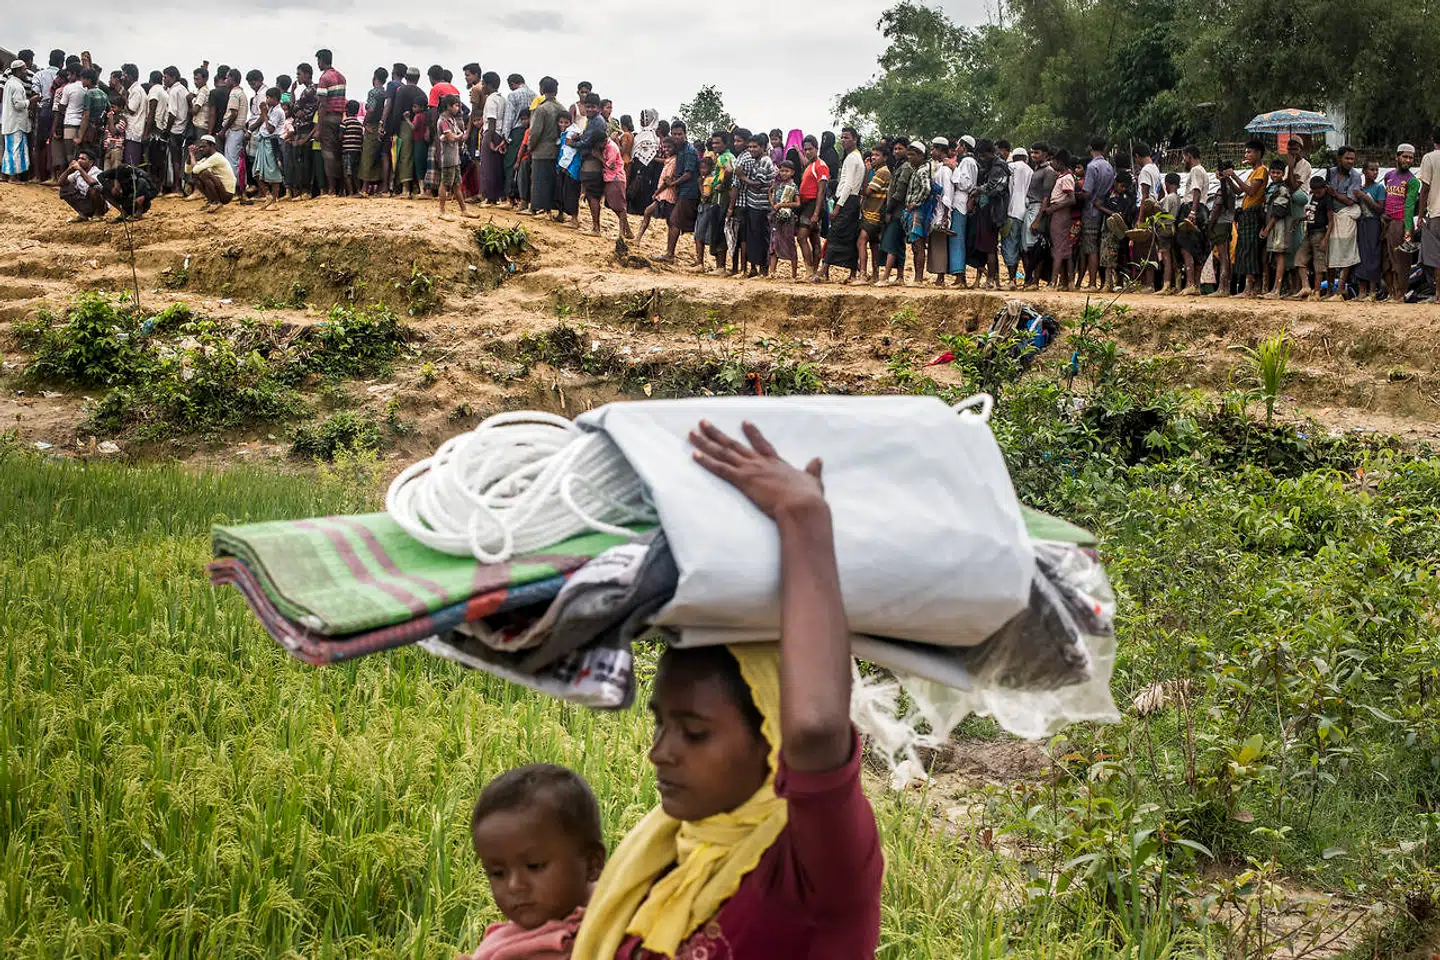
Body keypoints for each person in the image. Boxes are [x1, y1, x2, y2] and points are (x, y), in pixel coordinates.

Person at [571, 419, 882, 959]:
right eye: (661, 723)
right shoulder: (670, 852)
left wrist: (802, 516)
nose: (658, 753)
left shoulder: (816, 875)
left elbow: (815, 728)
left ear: (773, 736)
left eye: (693, 733)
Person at [463, 765, 605, 960]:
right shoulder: (513, 941)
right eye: (497, 873)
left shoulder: (609, 932)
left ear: (592, 864)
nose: (514, 886)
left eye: (534, 866)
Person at [1219, 139, 1269, 297]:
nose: (1246, 155)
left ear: (1258, 153)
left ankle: (1249, 288)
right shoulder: (1252, 172)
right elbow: (1238, 191)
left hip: (1253, 214)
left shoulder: (1261, 170)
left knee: (1250, 249)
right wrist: (1226, 177)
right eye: (1246, 152)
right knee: (1244, 249)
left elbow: (1251, 191)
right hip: (1246, 214)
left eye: (1249, 152)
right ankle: (1248, 287)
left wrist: (1233, 174)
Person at [818, 127, 864, 283]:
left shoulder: (852, 158)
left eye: (847, 137)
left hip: (847, 201)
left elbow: (849, 184)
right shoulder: (856, 157)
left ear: (855, 139)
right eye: (842, 137)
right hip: (851, 201)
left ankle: (824, 270)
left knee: (834, 235)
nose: (843, 140)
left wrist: (838, 207)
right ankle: (852, 273)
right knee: (849, 237)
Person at [734, 133, 776, 278]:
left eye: (755, 147)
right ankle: (755, 269)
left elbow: (758, 185)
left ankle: (764, 270)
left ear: (763, 147)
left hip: (761, 206)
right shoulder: (756, 160)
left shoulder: (765, 161)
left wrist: (742, 177)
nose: (751, 149)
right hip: (754, 204)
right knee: (753, 238)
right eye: (750, 147)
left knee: (761, 238)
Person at [1325, 146, 1363, 300]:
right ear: (1339, 159)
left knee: (1346, 252)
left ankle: (1340, 289)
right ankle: (1329, 291)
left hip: (1347, 216)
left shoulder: (1355, 176)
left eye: (1352, 159)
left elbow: (1350, 200)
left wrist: (1334, 194)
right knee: (1330, 254)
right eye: (1347, 158)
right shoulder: (1331, 172)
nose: (1350, 162)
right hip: (1332, 216)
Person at [875, 140, 916, 286]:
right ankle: (899, 277)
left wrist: (889, 210)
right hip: (899, 211)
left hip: (898, 211)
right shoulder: (900, 166)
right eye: (895, 149)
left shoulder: (905, 168)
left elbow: (899, 193)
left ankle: (885, 277)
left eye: (900, 148)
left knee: (892, 243)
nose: (897, 151)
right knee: (899, 244)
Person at [971, 138, 1010, 289]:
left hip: (993, 212)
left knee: (989, 247)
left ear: (990, 153)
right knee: (987, 247)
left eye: (983, 156)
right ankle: (993, 279)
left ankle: (991, 280)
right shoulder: (989, 166)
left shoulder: (999, 167)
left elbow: (995, 188)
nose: (981, 159)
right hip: (985, 210)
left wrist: (978, 190)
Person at [1078, 136, 1115, 290]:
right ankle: (1104, 281)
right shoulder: (1108, 167)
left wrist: (1075, 195)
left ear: (1090, 148)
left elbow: (1087, 192)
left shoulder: (1092, 167)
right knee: (1099, 246)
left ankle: (1092, 282)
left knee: (1091, 247)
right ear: (1104, 148)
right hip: (1103, 209)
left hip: (1091, 211)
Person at [661, 120, 700, 263]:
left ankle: (670, 254)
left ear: (685, 134)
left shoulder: (689, 151)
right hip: (681, 191)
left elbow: (688, 174)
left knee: (675, 221)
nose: (677, 137)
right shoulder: (679, 150)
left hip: (688, 192)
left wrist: (673, 183)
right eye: (674, 134)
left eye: (679, 134)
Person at [1383, 144, 1418, 302]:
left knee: (1401, 261)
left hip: (1402, 223)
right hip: (1387, 222)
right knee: (1387, 260)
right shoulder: (1389, 175)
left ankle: (1400, 294)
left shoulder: (1413, 181)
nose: (1408, 160)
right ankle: (1392, 293)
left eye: (1411, 158)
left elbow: (1410, 206)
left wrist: (1408, 229)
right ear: (1397, 156)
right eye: (1405, 156)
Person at [1038, 150, 1076, 289]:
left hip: (1060, 214)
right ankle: (1068, 281)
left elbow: (1071, 199)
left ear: (1060, 163)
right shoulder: (1063, 176)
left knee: (1058, 249)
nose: (1051, 163)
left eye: (1053, 161)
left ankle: (1053, 282)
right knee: (1065, 249)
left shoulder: (1066, 178)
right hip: (1059, 213)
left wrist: (1053, 209)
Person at [527, 77, 564, 217]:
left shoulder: (541, 109)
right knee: (552, 181)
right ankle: (552, 210)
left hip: (541, 150)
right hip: (557, 151)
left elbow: (535, 132)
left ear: (541, 89)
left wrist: (530, 147)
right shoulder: (561, 108)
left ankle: (539, 208)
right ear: (556, 90)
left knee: (539, 180)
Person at [1176, 145, 1210, 295]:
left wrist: (1192, 211)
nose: (1184, 160)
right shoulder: (1203, 171)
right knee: (1197, 248)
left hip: (1193, 207)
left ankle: (1190, 283)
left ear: (1189, 156)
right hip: (1202, 209)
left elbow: (1196, 190)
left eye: (1184, 157)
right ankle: (1195, 285)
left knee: (1186, 247)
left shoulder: (1196, 170)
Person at [1023, 143, 1056, 289]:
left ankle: (1035, 281)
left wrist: (1038, 219)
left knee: (1036, 246)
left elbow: (1046, 197)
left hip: (1037, 208)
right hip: (1030, 207)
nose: (1033, 155)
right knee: (1027, 247)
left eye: (1036, 153)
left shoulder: (1048, 171)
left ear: (1045, 154)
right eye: (1032, 152)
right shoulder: (1035, 170)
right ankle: (1030, 279)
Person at [795, 136, 829, 277]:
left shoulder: (821, 166)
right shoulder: (810, 165)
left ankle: (809, 270)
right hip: (806, 204)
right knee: (814, 238)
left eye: (810, 149)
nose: (808, 152)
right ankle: (814, 271)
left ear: (817, 149)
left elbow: (821, 190)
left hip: (813, 204)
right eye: (806, 150)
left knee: (802, 237)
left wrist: (816, 212)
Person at [1259, 162, 1293, 298]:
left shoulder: (1282, 189)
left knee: (1279, 255)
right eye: (1272, 172)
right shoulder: (1270, 188)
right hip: (1271, 223)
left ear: (1283, 174)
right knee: (1274, 255)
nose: (1275, 175)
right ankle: (1273, 289)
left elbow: (1279, 212)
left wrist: (1267, 228)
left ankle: (1277, 289)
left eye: (1278, 173)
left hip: (1279, 225)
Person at [434, 94, 471, 221]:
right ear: (448, 106)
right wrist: (462, 136)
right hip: (448, 157)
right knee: (445, 183)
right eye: (455, 106)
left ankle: (464, 210)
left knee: (456, 184)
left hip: (454, 156)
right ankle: (441, 211)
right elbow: (451, 137)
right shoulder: (444, 121)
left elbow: (456, 135)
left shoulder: (452, 120)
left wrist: (459, 136)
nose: (457, 108)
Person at [314, 49, 346, 195]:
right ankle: (341, 188)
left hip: (328, 118)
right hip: (339, 117)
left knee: (328, 154)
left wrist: (318, 128)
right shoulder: (341, 77)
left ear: (321, 60)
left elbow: (322, 104)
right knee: (337, 151)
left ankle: (331, 189)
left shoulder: (324, 78)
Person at [1294, 175, 1331, 300]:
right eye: (1314, 191)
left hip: (1320, 233)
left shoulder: (1327, 200)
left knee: (1318, 265)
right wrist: (1301, 219)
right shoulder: (1314, 197)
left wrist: (1326, 238)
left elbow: (1331, 221)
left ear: (1324, 188)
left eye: (1319, 191)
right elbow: (1312, 214)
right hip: (1309, 232)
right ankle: (1306, 286)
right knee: (1299, 259)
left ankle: (1317, 292)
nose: (1316, 193)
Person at [1001, 145, 1033, 287]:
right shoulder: (1030, 170)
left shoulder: (1009, 168)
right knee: (1024, 247)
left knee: (1010, 245)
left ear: (1013, 157)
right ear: (1026, 159)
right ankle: (1028, 280)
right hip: (1026, 212)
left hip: (1011, 211)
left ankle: (1012, 280)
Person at [858, 143, 890, 283]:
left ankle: (863, 274)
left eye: (877, 155)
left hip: (873, 213)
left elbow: (867, 192)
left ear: (885, 157)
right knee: (873, 244)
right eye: (873, 155)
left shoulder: (882, 172)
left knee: (861, 241)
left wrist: (866, 171)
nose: (873, 158)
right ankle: (875, 274)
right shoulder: (883, 171)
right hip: (877, 213)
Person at [391, 67, 425, 199]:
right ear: (418, 78)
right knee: (416, 157)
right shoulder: (422, 93)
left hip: (404, 125)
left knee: (405, 156)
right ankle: (416, 188)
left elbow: (396, 110)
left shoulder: (401, 90)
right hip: (419, 128)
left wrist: (393, 130)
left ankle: (405, 189)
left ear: (406, 77)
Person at [1354, 159, 1385, 300]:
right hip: (1361, 224)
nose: (1374, 173)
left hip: (1374, 225)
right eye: (1371, 170)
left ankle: (1372, 292)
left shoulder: (1379, 188)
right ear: (1364, 171)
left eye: (1376, 170)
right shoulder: (1359, 188)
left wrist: (1365, 197)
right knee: (1361, 256)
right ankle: (1361, 291)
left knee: (1373, 255)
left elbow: (1380, 209)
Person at [502, 74, 535, 206]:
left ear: (512, 83)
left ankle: (510, 197)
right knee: (525, 166)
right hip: (531, 132)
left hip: (516, 132)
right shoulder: (534, 95)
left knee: (511, 164)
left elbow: (509, 118)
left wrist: (505, 137)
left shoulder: (513, 95)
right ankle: (523, 198)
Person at [2, 60, 37, 182]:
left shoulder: (9, 83)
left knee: (10, 149)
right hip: (16, 123)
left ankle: (9, 175)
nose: (25, 72)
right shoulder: (16, 86)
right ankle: (13, 177)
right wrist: (31, 101)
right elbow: (18, 105)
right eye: (23, 69)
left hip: (11, 122)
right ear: (17, 70)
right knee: (15, 150)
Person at [288, 64, 318, 200]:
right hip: (305, 126)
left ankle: (304, 191)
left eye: (299, 74)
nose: (297, 76)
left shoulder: (309, 91)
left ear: (307, 74)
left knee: (302, 160)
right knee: (302, 160)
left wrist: (293, 93)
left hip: (305, 128)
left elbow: (294, 108)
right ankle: (303, 191)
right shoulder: (311, 90)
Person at [254, 86, 285, 210]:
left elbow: (271, 129)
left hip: (272, 143)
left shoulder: (278, 111)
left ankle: (274, 200)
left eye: (268, 97)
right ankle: (268, 195)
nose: (266, 100)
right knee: (257, 171)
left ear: (275, 98)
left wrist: (264, 114)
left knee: (273, 171)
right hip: (263, 142)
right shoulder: (271, 109)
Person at [769, 160, 801, 279]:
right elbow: (773, 204)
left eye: (786, 171)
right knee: (774, 243)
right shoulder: (778, 186)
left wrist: (782, 205)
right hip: (776, 218)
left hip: (787, 219)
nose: (784, 173)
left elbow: (797, 204)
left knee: (789, 244)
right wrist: (770, 192)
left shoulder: (792, 186)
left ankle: (794, 275)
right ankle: (772, 272)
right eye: (782, 171)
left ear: (792, 172)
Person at [594, 133, 630, 240]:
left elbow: (610, 165)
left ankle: (622, 233)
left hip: (616, 178)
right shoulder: (607, 146)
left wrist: (599, 157)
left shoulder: (611, 148)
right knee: (615, 205)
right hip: (611, 178)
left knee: (620, 206)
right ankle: (627, 230)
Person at [477, 71, 506, 204]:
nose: (482, 87)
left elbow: (492, 120)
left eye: (483, 84)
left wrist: (488, 141)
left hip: (491, 134)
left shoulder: (491, 99)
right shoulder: (502, 99)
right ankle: (496, 196)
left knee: (487, 166)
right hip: (499, 135)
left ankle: (489, 197)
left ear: (489, 85)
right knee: (496, 167)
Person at [188, 134, 235, 212]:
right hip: (221, 190)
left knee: (203, 173)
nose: (201, 149)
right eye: (200, 147)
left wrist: (192, 155)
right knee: (196, 175)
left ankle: (216, 202)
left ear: (212, 146)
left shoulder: (216, 157)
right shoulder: (207, 158)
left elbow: (195, 169)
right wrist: (190, 155)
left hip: (227, 194)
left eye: (204, 146)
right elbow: (188, 170)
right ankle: (211, 202)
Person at [358, 68, 387, 195]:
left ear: (375, 77)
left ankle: (364, 187)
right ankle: (378, 187)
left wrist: (365, 123)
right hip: (382, 126)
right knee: (378, 156)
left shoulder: (373, 92)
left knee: (367, 155)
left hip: (372, 125)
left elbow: (371, 109)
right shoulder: (385, 92)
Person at [1420, 128, 1440, 302]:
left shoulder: (1429, 158)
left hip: (1436, 213)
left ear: (1433, 139)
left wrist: (1420, 214)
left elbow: (1425, 189)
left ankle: (1438, 294)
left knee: (1436, 256)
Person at [58, 148, 107, 220]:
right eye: (79, 158)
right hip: (85, 203)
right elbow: (60, 183)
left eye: (83, 159)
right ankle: (83, 214)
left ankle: (98, 214)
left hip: (100, 205)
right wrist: (69, 169)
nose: (79, 161)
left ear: (91, 162)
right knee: (64, 189)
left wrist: (80, 169)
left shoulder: (97, 172)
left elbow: (92, 183)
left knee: (94, 189)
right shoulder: (77, 173)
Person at [340, 99, 363, 196]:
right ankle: (358, 191)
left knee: (347, 173)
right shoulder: (359, 124)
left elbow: (340, 136)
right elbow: (361, 137)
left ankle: (350, 192)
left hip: (347, 150)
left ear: (347, 110)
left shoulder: (345, 122)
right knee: (355, 172)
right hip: (357, 151)